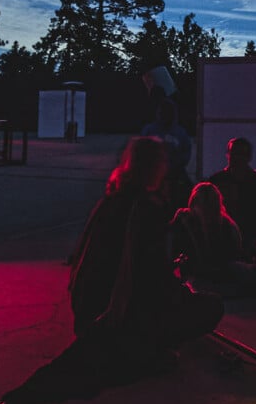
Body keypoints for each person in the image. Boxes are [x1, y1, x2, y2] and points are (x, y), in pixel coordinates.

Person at [68, 137, 223, 375]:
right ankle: (143, 348)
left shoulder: (112, 199)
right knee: (211, 307)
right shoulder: (145, 208)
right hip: (117, 318)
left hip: (88, 310)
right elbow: (151, 278)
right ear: (154, 166)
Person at [169, 182, 256, 296]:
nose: (208, 211)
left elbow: (231, 257)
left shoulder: (226, 225)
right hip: (196, 274)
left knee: (246, 272)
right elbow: (179, 256)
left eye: (212, 206)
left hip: (220, 271)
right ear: (194, 205)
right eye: (204, 206)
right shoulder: (184, 222)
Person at [206, 137, 256, 251]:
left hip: (246, 236)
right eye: (235, 153)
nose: (237, 158)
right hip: (223, 235)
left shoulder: (217, 181)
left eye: (241, 154)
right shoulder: (216, 181)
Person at [140, 98, 194, 202]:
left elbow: (186, 153)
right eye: (162, 112)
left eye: (168, 112)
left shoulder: (180, 133)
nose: (165, 115)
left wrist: (175, 164)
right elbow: (141, 151)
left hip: (175, 173)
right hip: (152, 173)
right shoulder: (149, 130)